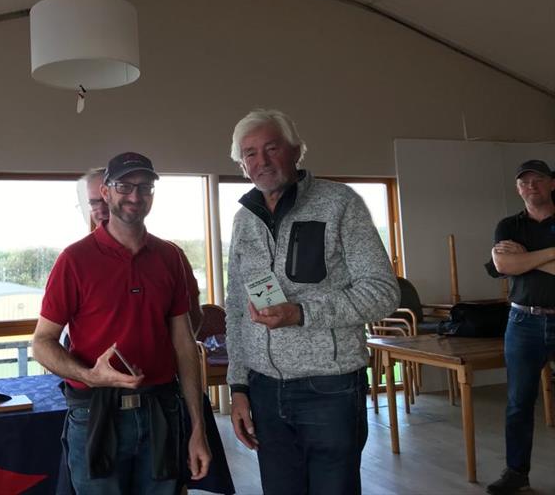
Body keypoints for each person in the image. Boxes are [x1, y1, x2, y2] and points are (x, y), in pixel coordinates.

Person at [224, 109, 399, 495]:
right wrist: (238, 386)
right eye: (250, 153)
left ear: (297, 151)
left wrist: (302, 313)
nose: (262, 161)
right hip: (264, 390)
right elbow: (236, 308)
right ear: (242, 165)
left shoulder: (340, 203)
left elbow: (382, 291)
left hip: (330, 388)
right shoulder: (244, 220)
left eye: (272, 148)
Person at [33, 152, 211, 495]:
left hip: (161, 411)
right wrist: (88, 375)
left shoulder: (169, 257)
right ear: (106, 191)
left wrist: (198, 426)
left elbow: (185, 343)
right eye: (124, 186)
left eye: (145, 187)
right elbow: (42, 342)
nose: (135, 196)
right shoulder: (74, 259)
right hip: (94, 416)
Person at [486, 159, 555, 495]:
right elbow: (503, 263)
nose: (531, 186)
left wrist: (527, 259)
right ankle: (516, 474)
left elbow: (517, 264)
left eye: (538, 179)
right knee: (518, 402)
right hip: (523, 321)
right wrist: (551, 255)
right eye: (524, 182)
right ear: (518, 189)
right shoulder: (508, 225)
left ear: (551, 184)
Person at [80, 166, 204, 335]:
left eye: (104, 201)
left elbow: (192, 320)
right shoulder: (75, 259)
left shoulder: (171, 256)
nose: (101, 209)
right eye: (94, 202)